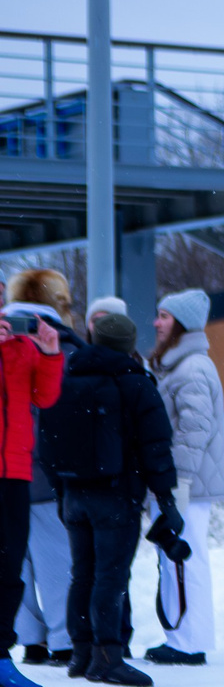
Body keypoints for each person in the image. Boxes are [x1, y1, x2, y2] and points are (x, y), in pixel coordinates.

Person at [37, 308, 183, 687]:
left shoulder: (66, 377)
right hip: (116, 497)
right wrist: (165, 498)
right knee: (111, 576)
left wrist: (61, 489)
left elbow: (47, 443)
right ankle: (109, 657)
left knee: (82, 573)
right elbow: (156, 446)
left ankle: (82, 653)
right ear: (128, 346)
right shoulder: (135, 383)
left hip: (74, 495)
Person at [143, 289, 224, 666]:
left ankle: (189, 643)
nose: (157, 323)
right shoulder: (182, 365)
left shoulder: (192, 368)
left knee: (185, 558)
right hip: (185, 482)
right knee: (181, 557)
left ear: (182, 323)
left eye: (164, 316)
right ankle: (185, 638)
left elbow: (194, 430)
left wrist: (179, 484)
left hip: (187, 484)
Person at [10, 270, 79, 666]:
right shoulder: (64, 350)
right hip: (49, 477)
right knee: (55, 563)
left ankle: (30, 638)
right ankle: (62, 638)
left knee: (16, 563)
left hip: (9, 473)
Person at [1, 284, 67, 687]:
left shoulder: (21, 347)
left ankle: (1, 655)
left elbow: (45, 396)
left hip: (15, 471)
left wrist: (49, 354)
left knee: (8, 568)